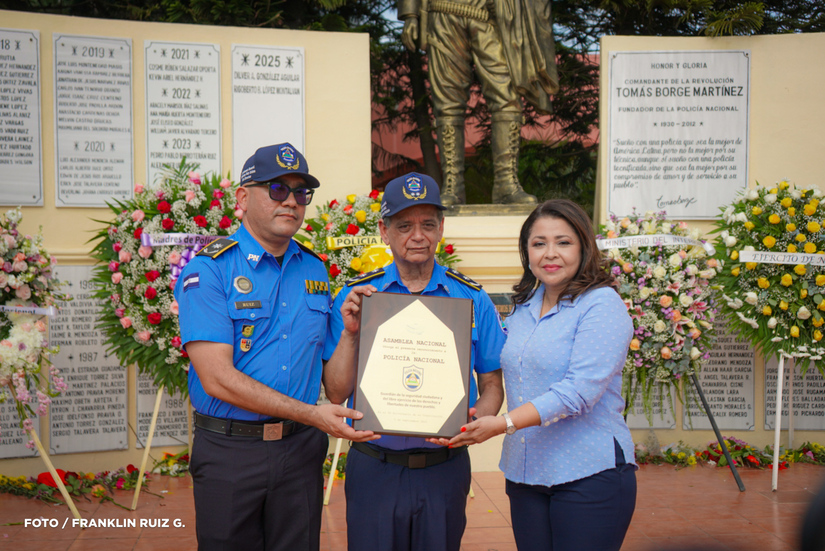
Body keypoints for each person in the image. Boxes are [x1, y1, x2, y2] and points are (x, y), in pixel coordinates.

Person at [175, 142, 375, 551]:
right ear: (243, 199)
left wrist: (351, 333)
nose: (292, 201)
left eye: (301, 192)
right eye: (278, 189)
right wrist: (313, 415)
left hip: (299, 453)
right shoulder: (210, 269)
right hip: (232, 452)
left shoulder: (314, 268)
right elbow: (217, 379)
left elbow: (335, 388)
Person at [321, 171, 505, 551]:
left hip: (444, 467)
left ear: (441, 228)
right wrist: (351, 333)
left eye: (427, 224)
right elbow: (336, 392)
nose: (417, 235)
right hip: (375, 466)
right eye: (404, 225)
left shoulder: (472, 300)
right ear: (384, 231)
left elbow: (491, 384)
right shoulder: (358, 297)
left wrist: (475, 422)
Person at [445, 199, 637, 551]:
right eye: (539, 243)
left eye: (563, 242)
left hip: (588, 472)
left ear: (583, 247)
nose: (550, 253)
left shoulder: (601, 304)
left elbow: (578, 392)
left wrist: (502, 424)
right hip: (526, 474)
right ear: (527, 251)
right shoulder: (522, 308)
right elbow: (498, 367)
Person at [398, 0, 558, 205]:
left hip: (493, 13)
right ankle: (452, 186)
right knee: (447, 103)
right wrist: (410, 14)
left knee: (507, 98)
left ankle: (506, 184)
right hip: (443, 11)